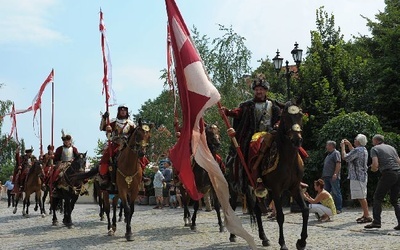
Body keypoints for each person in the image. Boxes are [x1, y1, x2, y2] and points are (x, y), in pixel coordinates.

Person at [223, 74, 282, 197]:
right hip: (254, 136)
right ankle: (258, 179)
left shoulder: (274, 105)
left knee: (292, 147)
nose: (259, 92)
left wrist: (277, 125)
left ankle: (296, 176)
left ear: (266, 90)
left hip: (271, 134)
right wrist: (228, 112)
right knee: (253, 150)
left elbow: (280, 118)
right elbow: (238, 113)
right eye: (257, 90)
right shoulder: (247, 105)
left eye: (261, 89)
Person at [364, 134, 400, 230]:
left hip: (388, 173)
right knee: (394, 200)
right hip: (397, 172)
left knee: (377, 198)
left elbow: (375, 164)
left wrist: (373, 168)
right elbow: (398, 161)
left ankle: (376, 222)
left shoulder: (374, 149)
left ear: (375, 141)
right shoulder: (391, 148)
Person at [99, 105, 136, 186]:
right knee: (105, 158)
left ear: (127, 112)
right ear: (119, 111)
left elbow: (135, 134)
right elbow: (102, 128)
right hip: (116, 144)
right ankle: (105, 177)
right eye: (121, 110)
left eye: (125, 110)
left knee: (140, 157)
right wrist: (104, 118)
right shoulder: (113, 121)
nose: (123, 111)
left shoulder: (131, 123)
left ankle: (142, 175)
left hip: (128, 145)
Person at [340, 134, 372, 223]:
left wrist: (343, 147)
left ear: (358, 141)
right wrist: (350, 145)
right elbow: (354, 154)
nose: (354, 141)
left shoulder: (358, 150)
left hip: (357, 176)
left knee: (361, 196)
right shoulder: (363, 149)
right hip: (361, 175)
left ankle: (367, 215)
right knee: (361, 195)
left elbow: (345, 157)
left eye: (355, 140)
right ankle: (365, 214)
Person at [322, 140, 342, 213]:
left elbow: (338, 163)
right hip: (326, 176)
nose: (326, 147)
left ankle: (339, 208)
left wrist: (335, 174)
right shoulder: (328, 154)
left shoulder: (336, 153)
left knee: (336, 192)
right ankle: (327, 207)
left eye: (327, 145)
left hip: (332, 176)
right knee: (325, 192)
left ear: (331, 146)